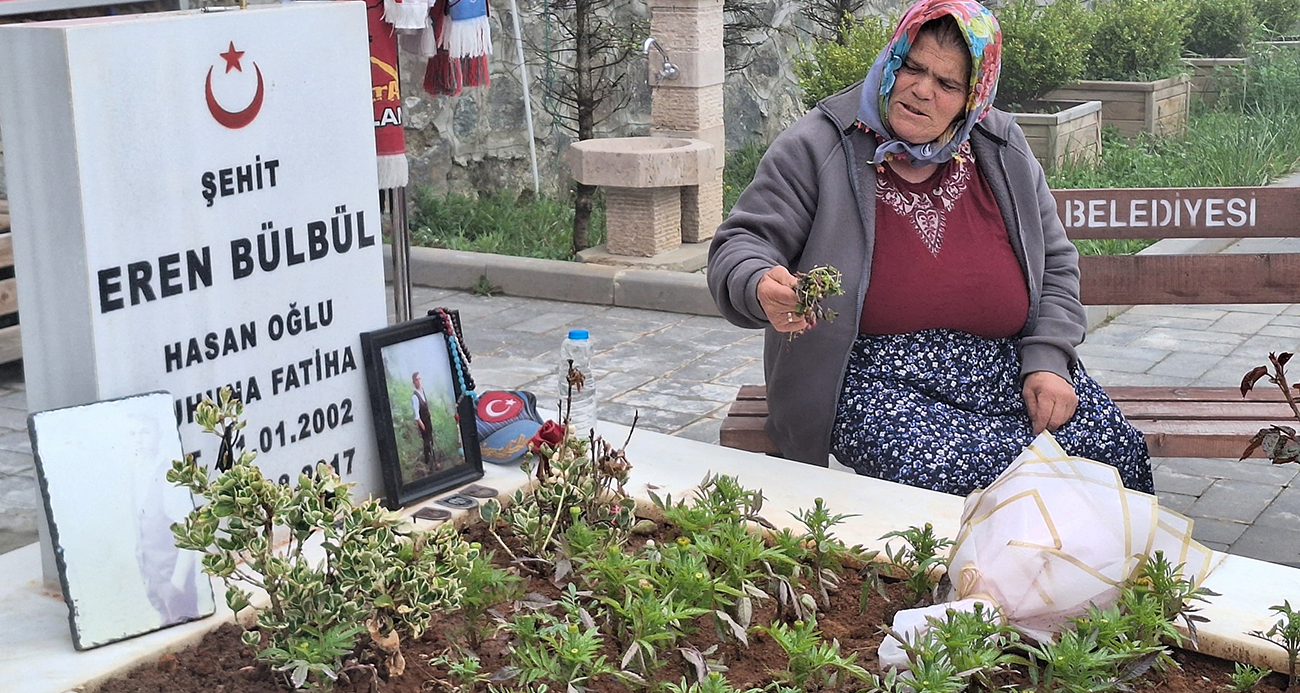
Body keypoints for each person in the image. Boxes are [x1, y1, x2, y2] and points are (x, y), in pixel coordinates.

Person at [706, 0, 1152, 496]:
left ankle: (1086, 574)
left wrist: (1048, 359)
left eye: (947, 84)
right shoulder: (817, 146)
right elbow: (742, 243)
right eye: (912, 68)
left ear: (971, 98)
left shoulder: (999, 144)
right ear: (891, 61)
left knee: (1112, 453)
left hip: (1005, 366)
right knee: (965, 473)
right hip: (869, 375)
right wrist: (758, 281)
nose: (922, 90)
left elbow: (1055, 265)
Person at [411, 372, 438, 472]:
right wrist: (422, 425)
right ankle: (428, 462)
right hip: (423, 422)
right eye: (416, 380)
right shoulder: (414, 397)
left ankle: (433, 459)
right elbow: (416, 414)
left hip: (428, 420)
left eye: (419, 379)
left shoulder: (422, 391)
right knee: (426, 441)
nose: (418, 381)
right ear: (414, 382)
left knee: (431, 440)